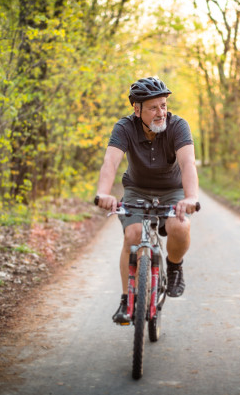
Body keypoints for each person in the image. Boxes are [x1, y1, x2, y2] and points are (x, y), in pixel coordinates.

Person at [95, 76, 199, 324]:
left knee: (180, 226)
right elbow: (111, 161)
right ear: (137, 109)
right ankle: (126, 300)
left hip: (172, 190)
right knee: (132, 236)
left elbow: (187, 163)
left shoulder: (178, 126)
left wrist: (191, 197)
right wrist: (103, 192)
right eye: (153, 107)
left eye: (163, 105)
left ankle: (174, 266)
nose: (160, 112)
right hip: (137, 190)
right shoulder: (124, 127)